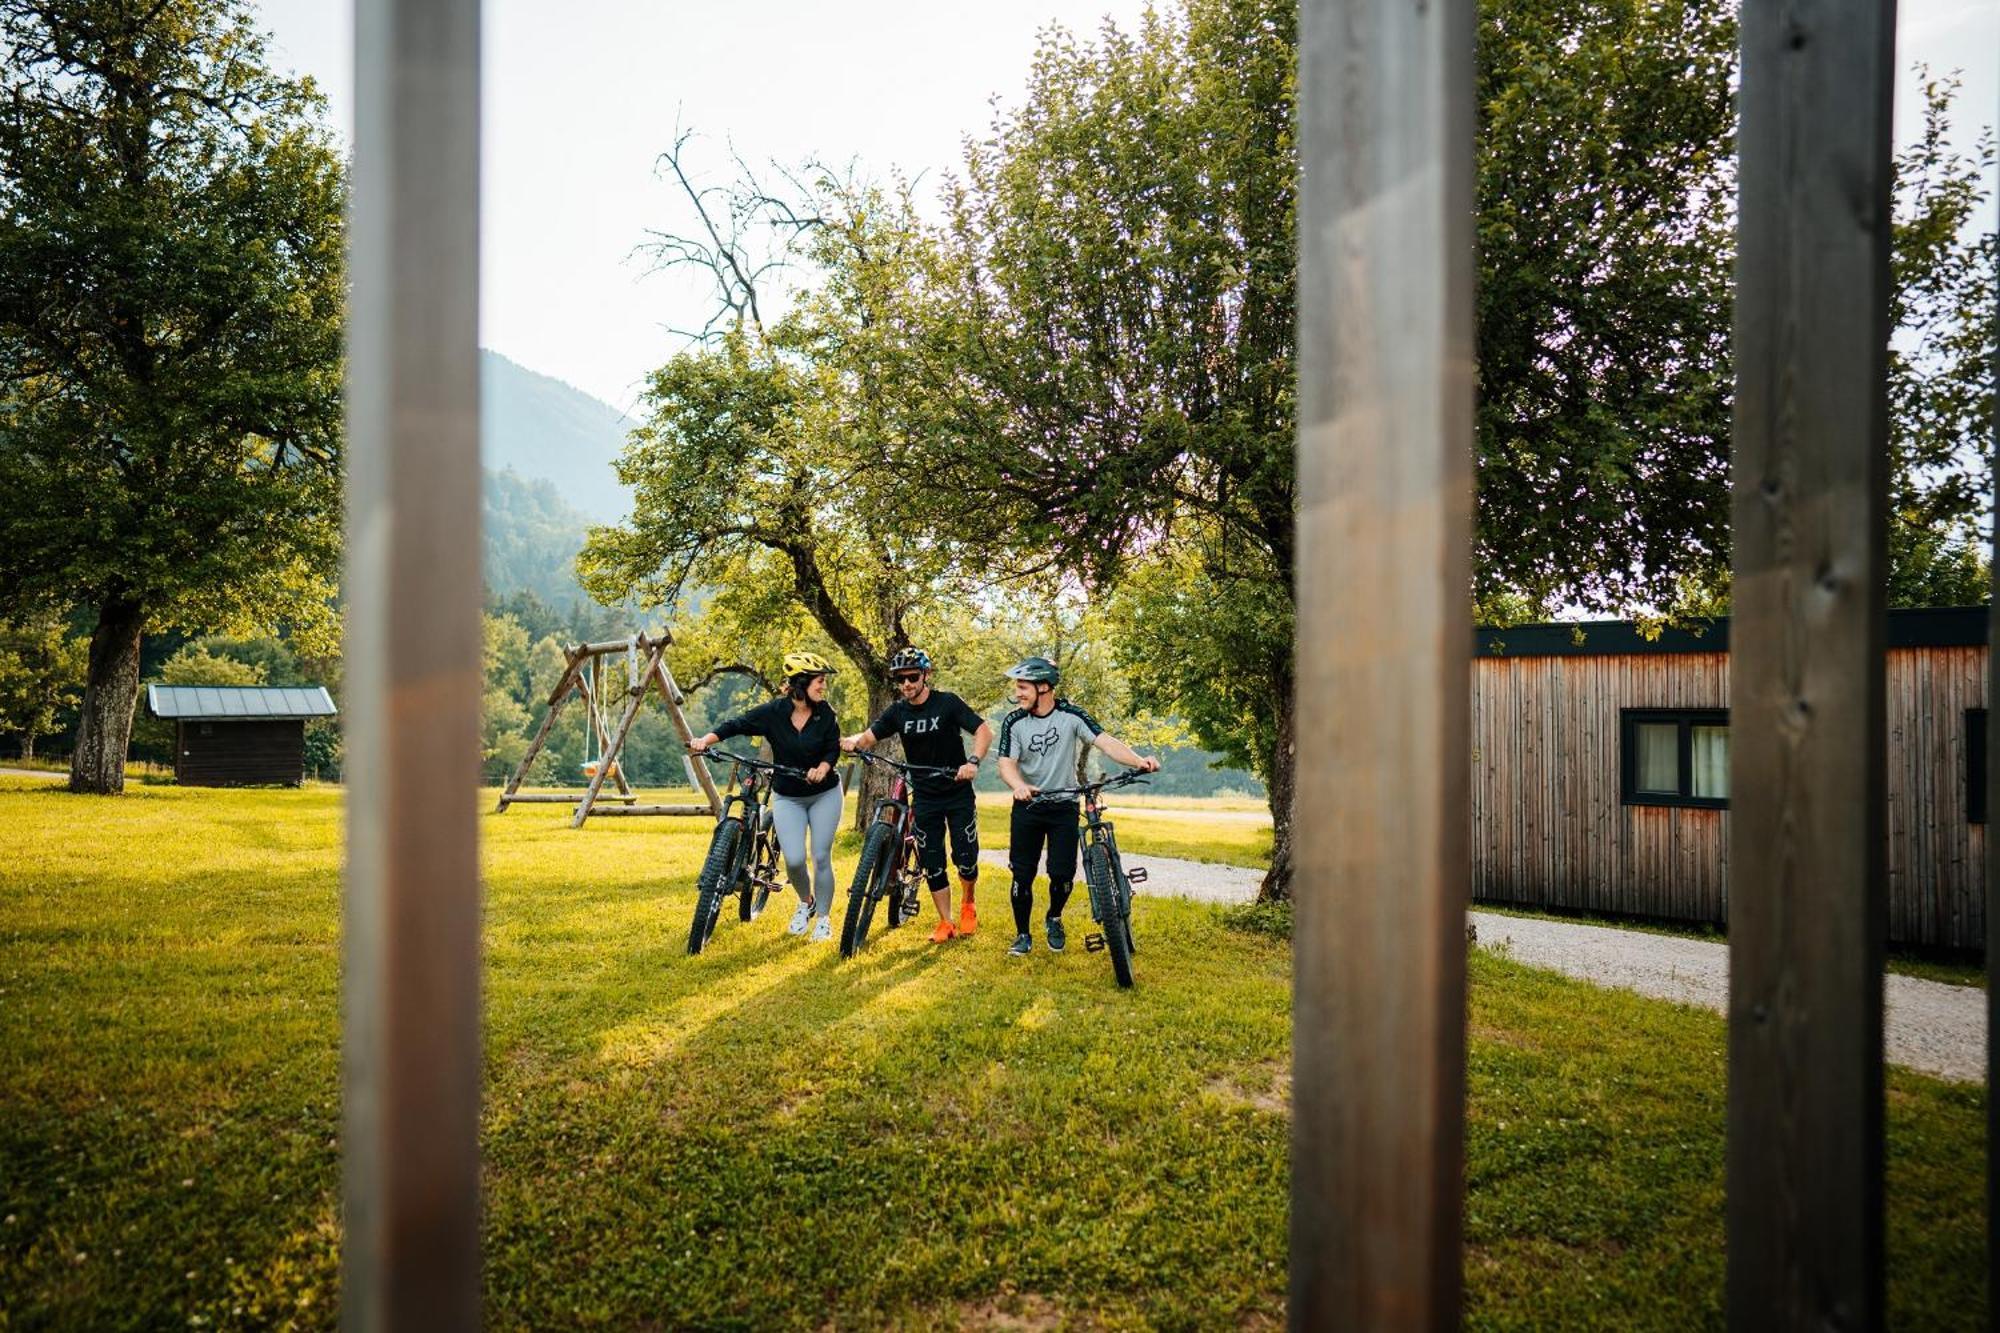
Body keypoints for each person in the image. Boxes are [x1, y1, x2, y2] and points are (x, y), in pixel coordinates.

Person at [995, 656, 1158, 957]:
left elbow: (1105, 741)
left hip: (1064, 806)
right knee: (1023, 874)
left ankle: (1054, 917)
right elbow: (1006, 763)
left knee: (1062, 874)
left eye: (1023, 687)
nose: (1017, 693)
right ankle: (1023, 934)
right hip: (1028, 806)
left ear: (1044, 686)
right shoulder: (1014, 721)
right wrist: (1017, 785)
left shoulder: (1071, 715)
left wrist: (1139, 761)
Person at [840, 646, 994, 942]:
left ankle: (968, 902)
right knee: (931, 859)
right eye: (900, 679)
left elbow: (984, 731)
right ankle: (946, 922)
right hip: (924, 795)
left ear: (926, 675)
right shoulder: (897, 712)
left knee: (965, 857)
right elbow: (869, 737)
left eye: (912, 677)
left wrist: (972, 762)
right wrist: (852, 741)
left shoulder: (947, 703)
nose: (906, 684)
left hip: (957, 791)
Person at [689, 651, 843, 942]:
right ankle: (806, 903)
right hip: (788, 796)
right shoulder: (774, 712)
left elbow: (832, 748)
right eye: (819, 682)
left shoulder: (826, 714)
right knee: (794, 860)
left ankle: (823, 918)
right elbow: (737, 724)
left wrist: (823, 767)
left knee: (821, 856)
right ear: (801, 683)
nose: (824, 687)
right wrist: (705, 741)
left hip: (824, 794)